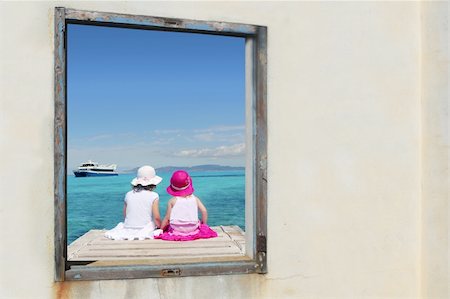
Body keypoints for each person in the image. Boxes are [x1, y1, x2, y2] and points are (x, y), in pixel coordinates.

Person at [105, 165, 163, 240]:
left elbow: (125, 214)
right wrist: (160, 227)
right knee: (153, 224)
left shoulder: (128, 194)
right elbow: (157, 218)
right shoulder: (154, 195)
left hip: (128, 227)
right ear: (153, 183)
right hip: (144, 228)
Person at [156, 170, 217, 241]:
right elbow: (204, 211)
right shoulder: (195, 199)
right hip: (192, 228)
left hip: (177, 229)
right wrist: (204, 225)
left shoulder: (172, 201)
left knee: (169, 227)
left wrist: (161, 229)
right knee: (198, 223)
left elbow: (167, 218)